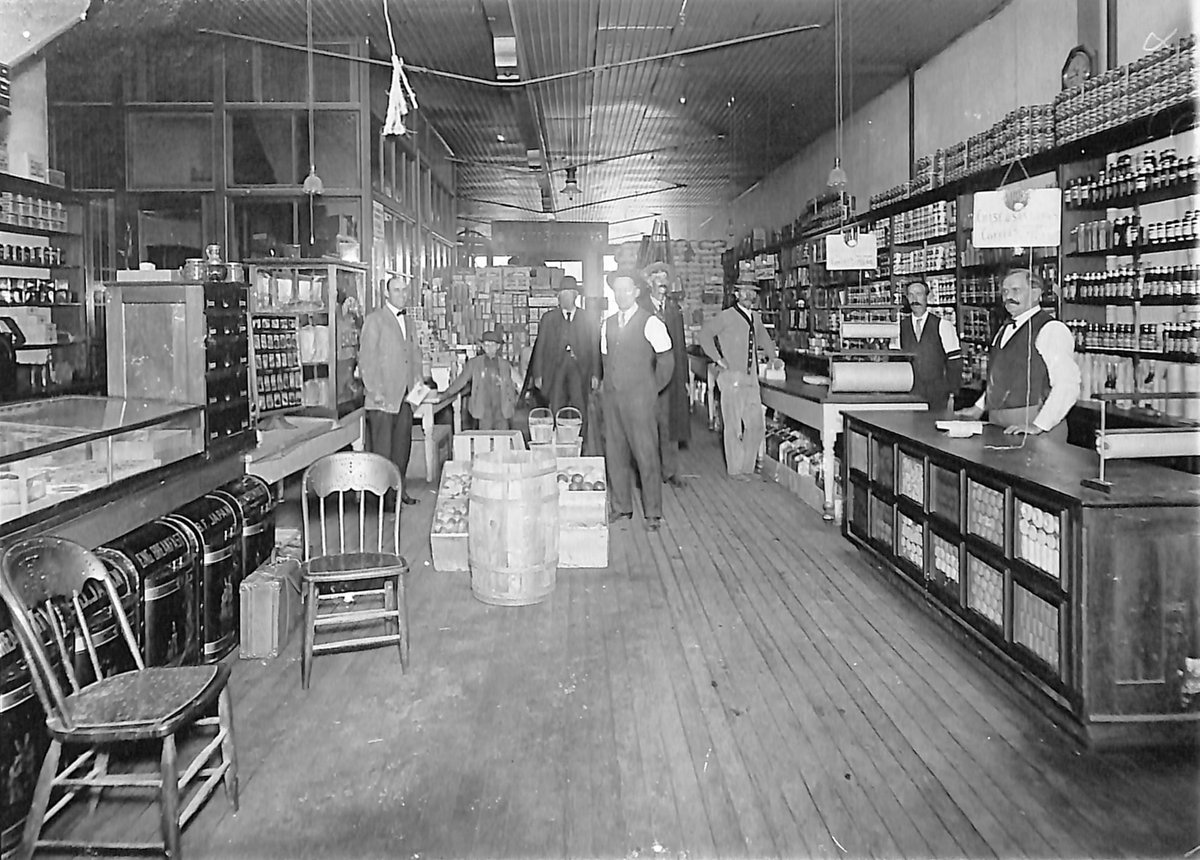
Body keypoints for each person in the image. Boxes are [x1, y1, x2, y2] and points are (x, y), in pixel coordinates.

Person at [956, 268, 1080, 440]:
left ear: (1036, 293)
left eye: (1016, 290)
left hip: (1034, 424)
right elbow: (1000, 379)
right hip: (999, 424)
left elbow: (1067, 384)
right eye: (1005, 291)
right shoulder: (1004, 329)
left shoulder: (1051, 329)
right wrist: (978, 408)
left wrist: (1039, 425)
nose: (1008, 297)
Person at [601, 267, 675, 531]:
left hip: (640, 402)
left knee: (646, 455)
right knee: (615, 454)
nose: (621, 294)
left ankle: (653, 512)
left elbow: (667, 361)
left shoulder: (651, 322)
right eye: (617, 290)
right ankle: (621, 506)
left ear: (636, 292)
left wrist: (651, 390)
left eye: (626, 290)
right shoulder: (608, 324)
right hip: (613, 400)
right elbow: (605, 361)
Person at [698, 282, 779, 479]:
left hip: (751, 379)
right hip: (732, 378)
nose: (749, 295)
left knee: (756, 426)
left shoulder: (755, 318)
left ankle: (746, 468)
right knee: (733, 427)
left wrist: (773, 358)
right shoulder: (726, 316)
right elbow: (704, 335)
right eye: (744, 291)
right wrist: (718, 359)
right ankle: (735, 470)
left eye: (753, 292)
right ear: (736, 294)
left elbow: (764, 338)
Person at [359, 276, 424, 504]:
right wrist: (375, 391)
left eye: (404, 291)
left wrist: (417, 385)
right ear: (386, 294)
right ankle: (382, 500)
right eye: (397, 290)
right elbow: (366, 360)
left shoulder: (409, 322)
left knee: (402, 449)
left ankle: (398, 492)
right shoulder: (375, 320)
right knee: (382, 452)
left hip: (405, 397)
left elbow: (415, 355)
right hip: (383, 399)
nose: (402, 295)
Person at [639, 261, 690, 487]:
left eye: (665, 278)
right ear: (649, 283)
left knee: (670, 424)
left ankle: (670, 471)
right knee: (647, 425)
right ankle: (647, 472)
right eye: (658, 278)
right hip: (647, 376)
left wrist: (684, 378)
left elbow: (681, 347)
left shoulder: (673, 310)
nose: (663, 283)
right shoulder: (640, 308)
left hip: (671, 377)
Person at [530, 275, 599, 435]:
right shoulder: (548, 319)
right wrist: (538, 374)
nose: (565, 297)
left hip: (580, 369)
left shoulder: (587, 319)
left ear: (576, 296)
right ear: (558, 296)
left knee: (580, 406)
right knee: (556, 406)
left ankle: (580, 441)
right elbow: (540, 347)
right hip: (555, 369)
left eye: (569, 293)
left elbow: (594, 348)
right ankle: (557, 440)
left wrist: (595, 374)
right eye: (563, 294)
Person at [896, 279, 962, 412]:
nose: (915, 299)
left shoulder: (943, 326)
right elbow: (896, 362)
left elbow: (954, 363)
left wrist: (952, 393)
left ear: (928, 297)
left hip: (937, 396)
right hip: (909, 395)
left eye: (919, 294)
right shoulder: (899, 328)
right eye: (911, 295)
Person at [438, 330, 518, 430]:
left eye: (493, 345)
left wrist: (512, 402)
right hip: (483, 407)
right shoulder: (474, 364)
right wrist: (446, 394)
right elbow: (461, 381)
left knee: (503, 436)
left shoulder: (505, 364)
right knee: (484, 435)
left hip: (502, 408)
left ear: (498, 346)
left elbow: (511, 385)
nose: (490, 348)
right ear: (482, 346)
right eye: (487, 345)